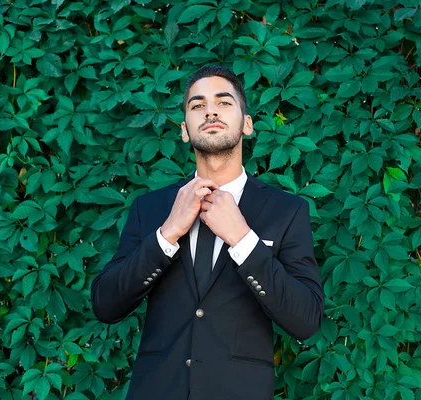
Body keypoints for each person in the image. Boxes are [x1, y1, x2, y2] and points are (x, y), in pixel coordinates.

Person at [91, 65, 324, 400]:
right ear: (185, 129)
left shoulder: (286, 211)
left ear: (247, 123)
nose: (210, 110)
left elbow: (307, 319)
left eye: (224, 102)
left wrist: (243, 240)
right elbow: (105, 304)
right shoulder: (151, 208)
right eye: (197, 105)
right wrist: (168, 233)